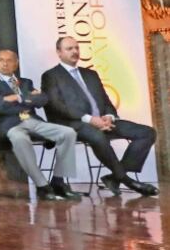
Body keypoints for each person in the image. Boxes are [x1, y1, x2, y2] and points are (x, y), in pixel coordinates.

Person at [41, 36, 158, 196]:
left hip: (103, 122)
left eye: (76, 48)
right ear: (59, 52)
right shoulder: (51, 76)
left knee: (147, 132)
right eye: (69, 49)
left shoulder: (91, 74)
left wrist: (109, 116)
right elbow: (56, 106)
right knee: (96, 136)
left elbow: (105, 100)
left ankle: (114, 177)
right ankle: (127, 181)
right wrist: (89, 119)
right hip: (74, 124)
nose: (75, 51)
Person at [0, 49, 80, 201]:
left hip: (33, 121)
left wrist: (17, 97)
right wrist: (28, 99)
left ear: (16, 64)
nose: (5, 63)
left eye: (9, 60)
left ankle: (58, 182)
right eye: (1, 60)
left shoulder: (26, 82)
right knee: (20, 138)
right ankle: (42, 185)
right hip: (9, 126)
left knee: (68, 133)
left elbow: (43, 99)